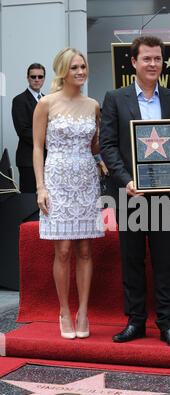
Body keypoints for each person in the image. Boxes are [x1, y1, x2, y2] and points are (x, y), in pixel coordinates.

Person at [99, 35, 170, 347]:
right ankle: (135, 322)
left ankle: (168, 325)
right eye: (147, 59)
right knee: (132, 260)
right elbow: (108, 146)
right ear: (134, 62)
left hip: (165, 194)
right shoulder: (115, 97)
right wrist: (125, 180)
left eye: (157, 58)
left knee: (166, 261)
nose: (153, 64)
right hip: (130, 194)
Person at [33, 47, 104, 339]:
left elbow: (96, 146)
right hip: (56, 181)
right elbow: (37, 147)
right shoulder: (46, 104)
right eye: (74, 67)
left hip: (86, 180)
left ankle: (83, 311)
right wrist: (40, 187)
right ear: (63, 71)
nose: (80, 72)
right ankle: (64, 310)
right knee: (62, 250)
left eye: (83, 67)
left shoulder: (93, 105)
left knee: (85, 250)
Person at [12, 63, 46, 192]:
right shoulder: (19, 100)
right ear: (28, 78)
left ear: (43, 78)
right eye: (33, 76)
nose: (36, 79)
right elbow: (23, 131)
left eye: (40, 76)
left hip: (48, 159)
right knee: (30, 200)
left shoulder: (47, 99)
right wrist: (47, 141)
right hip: (28, 160)